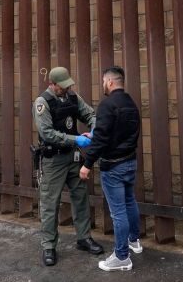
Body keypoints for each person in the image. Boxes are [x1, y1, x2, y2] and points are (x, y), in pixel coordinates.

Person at [34, 66, 102, 266]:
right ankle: (48, 246)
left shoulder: (72, 97)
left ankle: (84, 238)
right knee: (49, 203)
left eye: (67, 86)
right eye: (62, 86)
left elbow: (89, 114)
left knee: (80, 197)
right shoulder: (42, 103)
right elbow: (47, 133)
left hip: (72, 158)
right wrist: (76, 140)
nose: (66, 89)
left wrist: (95, 127)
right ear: (52, 84)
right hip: (53, 160)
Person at [79, 66, 143, 271]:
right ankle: (134, 241)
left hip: (113, 166)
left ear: (110, 82)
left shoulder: (107, 105)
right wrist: (95, 135)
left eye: (103, 81)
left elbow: (104, 137)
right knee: (130, 202)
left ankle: (122, 256)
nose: (103, 85)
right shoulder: (131, 103)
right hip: (130, 162)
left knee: (118, 212)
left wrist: (87, 164)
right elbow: (118, 133)